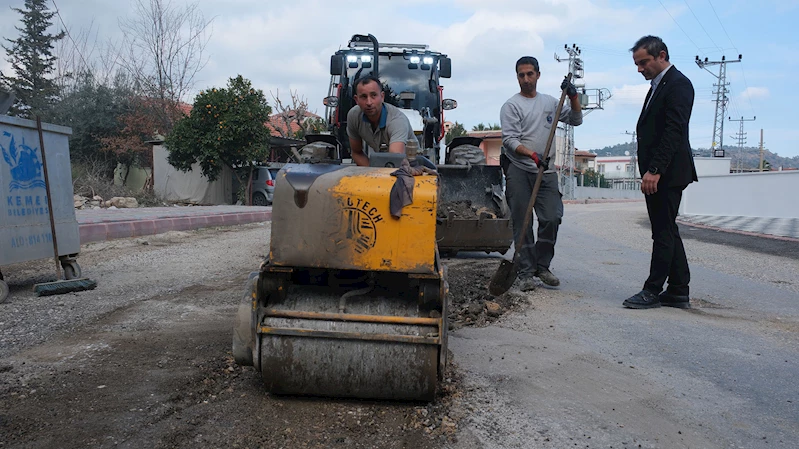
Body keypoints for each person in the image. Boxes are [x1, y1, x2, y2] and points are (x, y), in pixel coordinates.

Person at [623, 35, 698, 309]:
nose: (639, 68)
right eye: (636, 63)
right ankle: (678, 289)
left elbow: (674, 131)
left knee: (662, 232)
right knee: (667, 228)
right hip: (660, 172)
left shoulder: (678, 84)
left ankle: (652, 290)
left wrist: (655, 170)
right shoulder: (659, 85)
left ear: (662, 55)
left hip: (666, 173)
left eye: (643, 62)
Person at [500, 56, 583, 291]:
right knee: (523, 222)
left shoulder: (550, 103)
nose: (525, 79)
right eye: (521, 75)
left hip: (545, 172)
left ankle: (542, 266)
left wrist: (574, 97)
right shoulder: (511, 106)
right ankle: (525, 271)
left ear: (538, 75)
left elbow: (576, 119)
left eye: (529, 74)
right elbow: (509, 140)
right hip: (519, 169)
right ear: (517, 77)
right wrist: (532, 155)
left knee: (552, 217)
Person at [347, 75, 416, 167]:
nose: (369, 102)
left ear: (382, 96)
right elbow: (356, 152)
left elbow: (394, 161)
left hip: (410, 168)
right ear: (356, 99)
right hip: (385, 167)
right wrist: (371, 173)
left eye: (373, 95)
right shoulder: (354, 116)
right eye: (363, 97)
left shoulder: (396, 120)